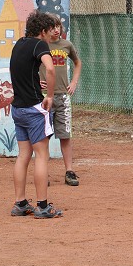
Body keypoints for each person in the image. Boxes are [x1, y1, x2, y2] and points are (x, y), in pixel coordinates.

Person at [9, 11, 63, 219]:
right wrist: (49, 95)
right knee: (42, 155)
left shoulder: (19, 44)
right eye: (50, 31)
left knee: (23, 155)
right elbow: (50, 69)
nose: (52, 35)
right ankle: (42, 206)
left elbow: (20, 71)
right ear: (42, 31)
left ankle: (20, 203)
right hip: (34, 109)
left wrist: (33, 84)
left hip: (18, 109)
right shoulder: (39, 44)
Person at [39, 17, 82, 186]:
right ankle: (44, 174)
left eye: (58, 26)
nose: (56, 30)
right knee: (44, 137)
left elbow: (78, 63)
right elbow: (30, 66)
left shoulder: (67, 45)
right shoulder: (41, 46)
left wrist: (74, 82)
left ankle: (69, 171)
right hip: (43, 97)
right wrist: (35, 82)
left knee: (65, 135)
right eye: (52, 27)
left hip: (63, 96)